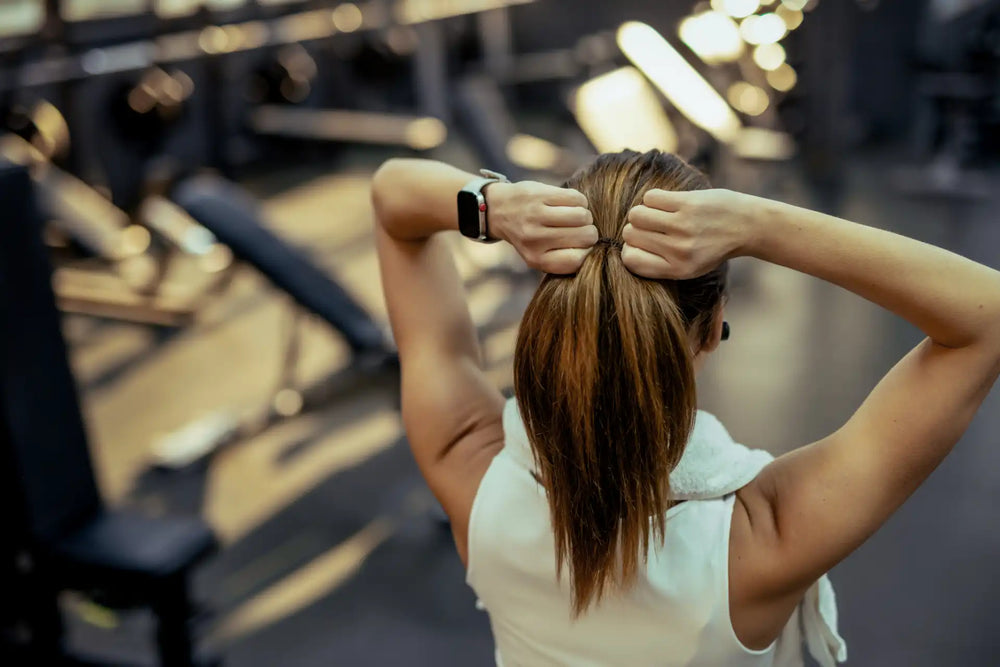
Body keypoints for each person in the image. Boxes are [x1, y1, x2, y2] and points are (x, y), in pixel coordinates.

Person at [371, 149, 1000, 665]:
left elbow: (392, 196)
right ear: (712, 326)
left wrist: (494, 205)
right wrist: (760, 225)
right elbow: (986, 317)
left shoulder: (469, 469)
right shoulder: (765, 537)